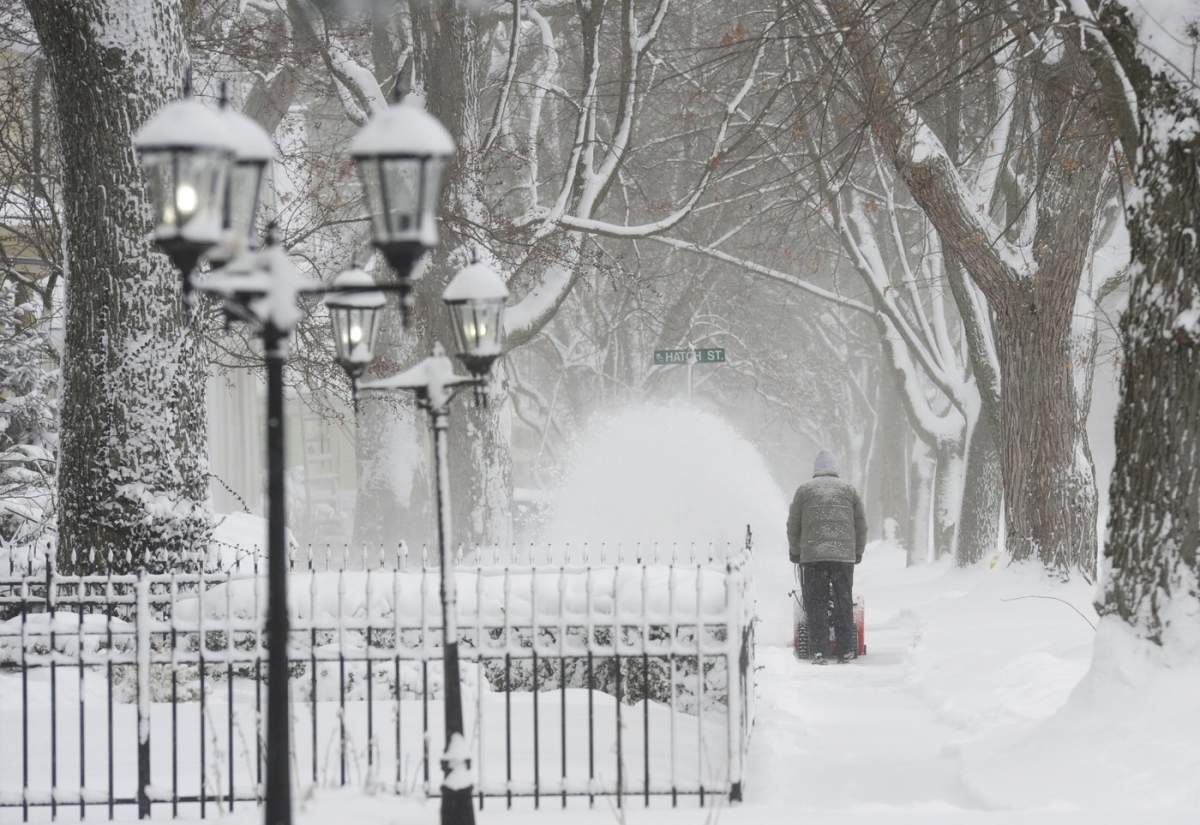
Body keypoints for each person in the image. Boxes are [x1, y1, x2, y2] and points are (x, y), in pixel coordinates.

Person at [786, 448, 867, 664]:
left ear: (816, 470)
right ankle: (845, 650)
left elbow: (793, 524)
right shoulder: (849, 491)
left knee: (816, 602)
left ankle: (820, 650)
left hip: (813, 557)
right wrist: (857, 551)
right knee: (843, 600)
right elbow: (861, 525)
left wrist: (795, 550)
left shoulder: (804, 491)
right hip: (843, 557)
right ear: (835, 470)